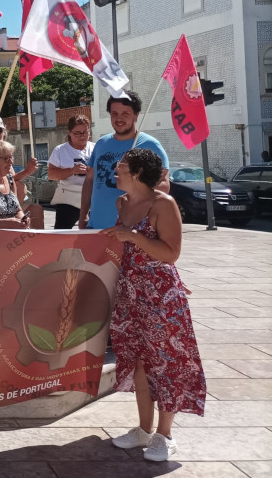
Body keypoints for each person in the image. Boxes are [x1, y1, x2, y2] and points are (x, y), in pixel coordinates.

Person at [101, 148, 205, 462]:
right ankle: (144, 429)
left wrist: (132, 236)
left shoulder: (164, 204)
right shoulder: (122, 202)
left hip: (161, 296)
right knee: (139, 363)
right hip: (131, 293)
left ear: (135, 173)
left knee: (167, 365)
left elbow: (171, 253)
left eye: (120, 167)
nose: (115, 171)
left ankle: (165, 434)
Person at [80, 91, 170, 229]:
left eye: (125, 114)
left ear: (136, 115)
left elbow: (164, 184)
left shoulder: (151, 145)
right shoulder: (101, 144)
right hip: (96, 227)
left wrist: (136, 191)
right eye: (114, 113)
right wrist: (83, 216)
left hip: (130, 230)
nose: (119, 118)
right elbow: (90, 181)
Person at [47, 115, 95, 229]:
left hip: (92, 197)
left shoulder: (96, 147)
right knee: (62, 233)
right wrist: (72, 170)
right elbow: (51, 174)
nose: (82, 136)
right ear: (69, 133)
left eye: (85, 132)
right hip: (68, 198)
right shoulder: (60, 150)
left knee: (93, 233)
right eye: (77, 133)